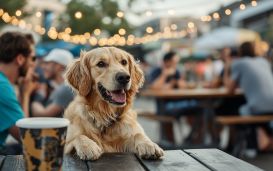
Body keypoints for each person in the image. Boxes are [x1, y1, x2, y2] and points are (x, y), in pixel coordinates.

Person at [226, 41, 273, 153]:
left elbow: (229, 89)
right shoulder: (264, 62)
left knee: (243, 110)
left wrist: (227, 68)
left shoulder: (239, 63)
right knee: (254, 110)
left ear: (240, 52)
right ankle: (262, 141)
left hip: (258, 107)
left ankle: (251, 146)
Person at [149, 51, 201, 145]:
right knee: (197, 108)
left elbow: (183, 86)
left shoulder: (176, 71)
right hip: (164, 105)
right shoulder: (157, 71)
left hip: (179, 103)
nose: (175, 64)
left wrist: (179, 82)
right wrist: (165, 75)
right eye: (174, 62)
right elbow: (154, 88)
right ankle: (171, 142)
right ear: (166, 62)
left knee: (200, 108)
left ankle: (192, 139)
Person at [0, 32, 38, 154]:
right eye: (32, 58)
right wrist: (25, 95)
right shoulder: (2, 87)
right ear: (20, 59)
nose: (33, 64)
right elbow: (26, 138)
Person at [31, 49, 75, 117]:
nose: (43, 67)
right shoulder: (59, 86)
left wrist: (37, 96)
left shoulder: (66, 88)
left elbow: (43, 115)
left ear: (59, 66)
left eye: (47, 63)